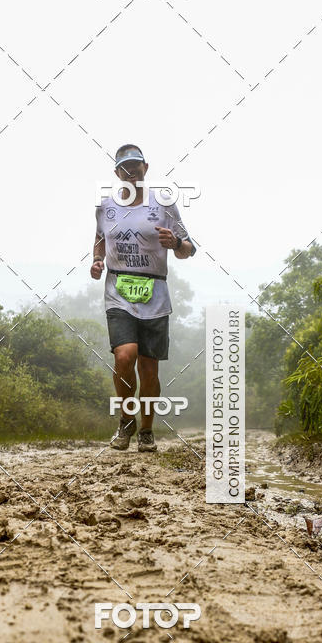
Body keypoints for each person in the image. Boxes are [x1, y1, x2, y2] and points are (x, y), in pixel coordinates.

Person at [91, 144, 195, 452]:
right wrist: (97, 261)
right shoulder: (106, 206)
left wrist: (175, 242)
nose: (131, 170)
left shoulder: (163, 205)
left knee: (149, 370)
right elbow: (99, 239)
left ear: (145, 168)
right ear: (117, 173)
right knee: (124, 356)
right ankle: (126, 422)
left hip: (155, 294)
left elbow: (189, 249)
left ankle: (146, 430)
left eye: (136, 165)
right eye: (125, 166)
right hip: (118, 292)